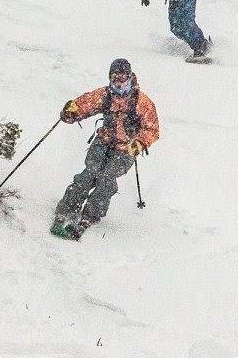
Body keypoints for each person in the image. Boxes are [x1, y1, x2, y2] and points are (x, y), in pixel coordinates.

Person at [51, 58, 161, 239]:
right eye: (114, 77)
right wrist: (71, 112)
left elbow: (152, 129)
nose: (118, 82)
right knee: (90, 172)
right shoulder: (105, 95)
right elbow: (85, 104)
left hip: (125, 148)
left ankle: (91, 214)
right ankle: (67, 206)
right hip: (103, 141)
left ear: (130, 77)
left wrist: (140, 142)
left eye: (122, 78)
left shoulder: (142, 102)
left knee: (107, 177)